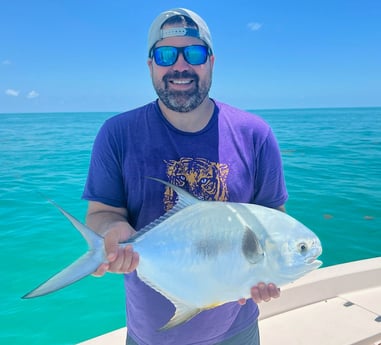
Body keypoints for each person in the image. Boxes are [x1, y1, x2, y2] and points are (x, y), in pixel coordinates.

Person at [82, 8, 288, 345]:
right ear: (151, 65)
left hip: (238, 328)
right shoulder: (116, 134)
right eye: (166, 54)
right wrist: (112, 231)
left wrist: (270, 268)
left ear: (211, 61)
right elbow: (103, 212)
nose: (180, 66)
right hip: (150, 334)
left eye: (194, 53)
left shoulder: (255, 134)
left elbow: (272, 220)